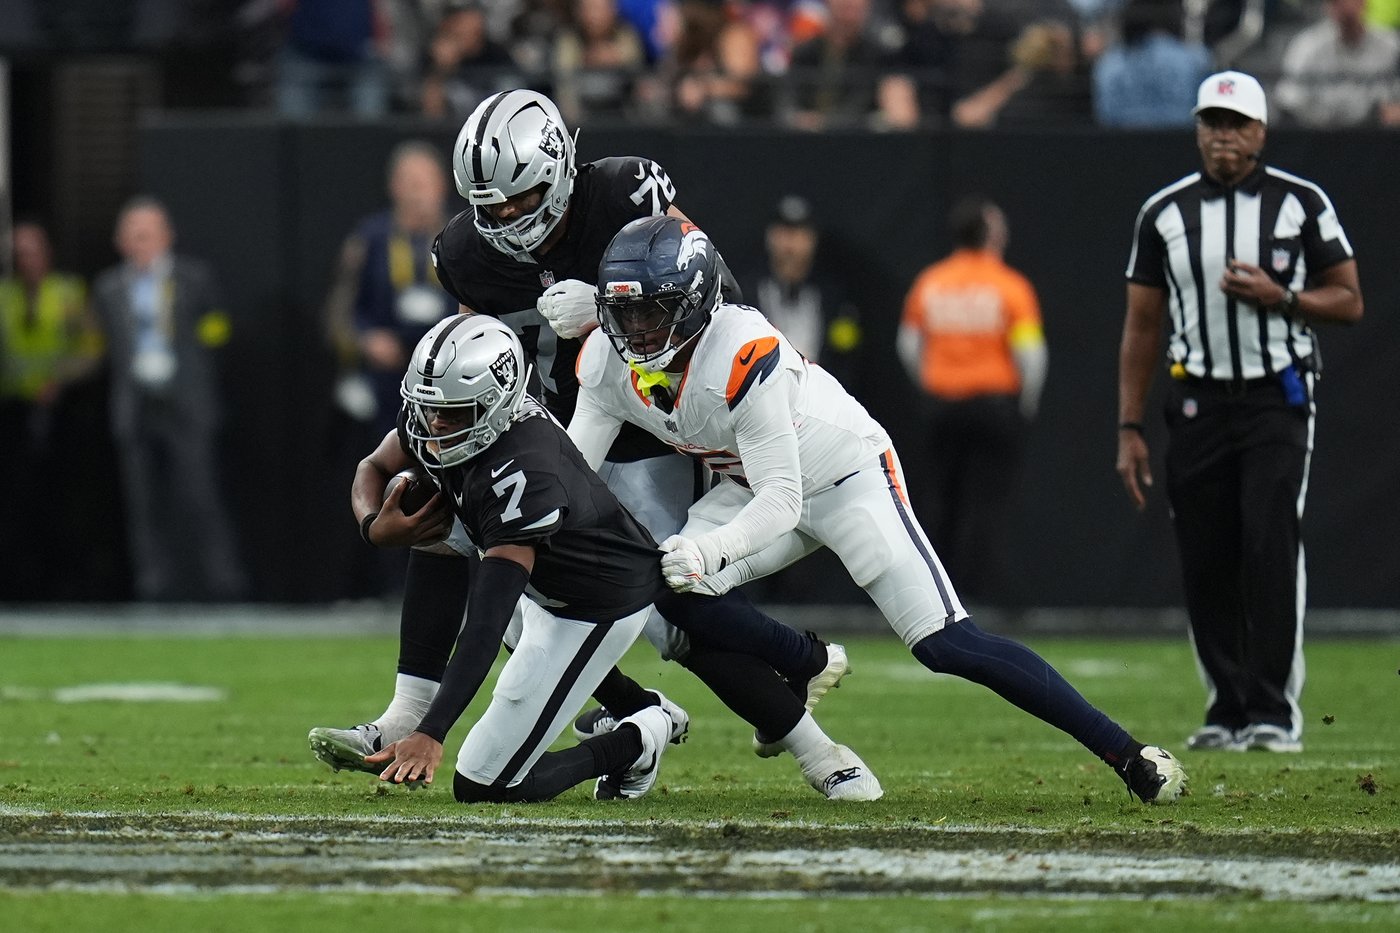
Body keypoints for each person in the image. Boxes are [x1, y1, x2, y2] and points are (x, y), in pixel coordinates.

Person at [309, 89, 867, 796]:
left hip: (648, 425)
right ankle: (411, 713)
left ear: (561, 168)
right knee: (447, 516)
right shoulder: (465, 253)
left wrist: (600, 303)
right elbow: (473, 349)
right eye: (493, 206)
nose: (508, 218)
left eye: (522, 197)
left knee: (670, 604)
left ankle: (811, 739)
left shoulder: (625, 194)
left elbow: (709, 298)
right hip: (550, 429)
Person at [565, 214, 1186, 804]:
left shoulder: (740, 350)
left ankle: (1127, 754)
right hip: (754, 484)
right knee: (671, 589)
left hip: (845, 475)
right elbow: (570, 473)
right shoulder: (605, 362)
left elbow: (784, 501)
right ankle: (802, 661)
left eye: (652, 310)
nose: (637, 330)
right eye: (622, 312)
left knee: (947, 644)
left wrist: (707, 548)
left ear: (696, 304)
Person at [350, 314, 881, 801]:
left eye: (452, 414)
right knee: (432, 520)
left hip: (598, 601)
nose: (435, 428)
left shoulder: (524, 468)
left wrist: (432, 733)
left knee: (483, 783)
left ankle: (639, 738)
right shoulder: (443, 413)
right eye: (429, 411)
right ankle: (646, 709)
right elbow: (371, 467)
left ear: (495, 402)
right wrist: (375, 528)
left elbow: (486, 618)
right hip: (547, 577)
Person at [1116, 71, 1364, 754]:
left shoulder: (1300, 203)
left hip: (1273, 396)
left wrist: (1282, 296)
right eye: (1212, 124)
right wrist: (1129, 425)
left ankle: (1273, 707)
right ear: (1198, 130)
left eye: (1236, 124)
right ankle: (1226, 703)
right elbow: (1141, 325)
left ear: (1260, 132)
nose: (1224, 137)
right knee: (1206, 552)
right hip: (1194, 397)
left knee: (1268, 542)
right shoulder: (1163, 212)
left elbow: (1349, 299)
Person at [91, 197, 249, 602]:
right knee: (142, 504)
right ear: (120, 241)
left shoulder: (193, 279)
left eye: (147, 234)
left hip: (186, 403)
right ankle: (154, 586)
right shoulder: (109, 288)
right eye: (132, 235)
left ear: (165, 237)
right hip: (135, 405)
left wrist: (188, 356)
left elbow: (218, 330)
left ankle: (222, 582)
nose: (140, 243)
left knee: (199, 495)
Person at [320, 140, 458, 598]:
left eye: (426, 183)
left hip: (452, 386)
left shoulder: (460, 237)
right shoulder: (371, 239)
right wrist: (363, 341)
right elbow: (338, 315)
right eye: (409, 183)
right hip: (389, 388)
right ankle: (386, 588)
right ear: (394, 187)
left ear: (440, 185)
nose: (418, 193)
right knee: (387, 478)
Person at [897, 196, 1046, 601]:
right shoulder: (1009, 286)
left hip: (941, 407)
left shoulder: (931, 281)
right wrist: (1024, 404)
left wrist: (930, 385)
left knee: (937, 501)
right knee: (985, 505)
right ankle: (976, 594)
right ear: (992, 235)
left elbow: (909, 344)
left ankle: (930, 593)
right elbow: (1030, 355)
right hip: (992, 408)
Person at [0, 221, 104, 599]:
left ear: (47, 254)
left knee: (62, 500)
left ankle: (65, 585)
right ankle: (18, 585)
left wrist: (59, 379)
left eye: (31, 251)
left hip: (61, 412)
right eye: (18, 253)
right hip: (12, 412)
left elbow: (92, 348)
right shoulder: (4, 296)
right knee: (15, 500)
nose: (25, 259)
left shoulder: (67, 293)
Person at [1274, 0, 1400, 128]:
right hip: (1317, 136)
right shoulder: (1307, 46)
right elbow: (1287, 98)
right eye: (1338, 2)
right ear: (1328, 6)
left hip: (1376, 135)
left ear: (1364, 4)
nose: (1347, 7)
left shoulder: (1390, 45)